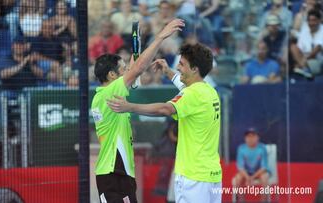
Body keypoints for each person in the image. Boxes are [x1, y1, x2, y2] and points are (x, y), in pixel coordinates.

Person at [107, 43, 222, 203]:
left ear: (195, 69)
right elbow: (185, 88)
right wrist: (168, 71)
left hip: (193, 178)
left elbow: (165, 109)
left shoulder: (192, 94)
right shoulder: (210, 91)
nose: (178, 67)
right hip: (212, 175)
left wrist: (129, 106)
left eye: (182, 64)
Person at [91, 19, 184, 203]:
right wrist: (160, 37)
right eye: (123, 69)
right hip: (112, 173)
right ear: (111, 75)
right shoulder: (108, 94)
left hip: (122, 172)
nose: (127, 72)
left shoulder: (109, 95)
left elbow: (135, 70)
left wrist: (133, 65)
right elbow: (139, 68)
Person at [232, 128, 269, 202]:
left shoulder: (262, 148)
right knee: (237, 179)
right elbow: (240, 167)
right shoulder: (241, 149)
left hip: (259, 173)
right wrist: (248, 177)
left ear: (257, 138)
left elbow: (264, 167)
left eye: (253, 136)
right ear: (245, 138)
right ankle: (242, 201)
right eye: (248, 136)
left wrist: (252, 177)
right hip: (246, 173)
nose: (250, 139)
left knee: (265, 178)